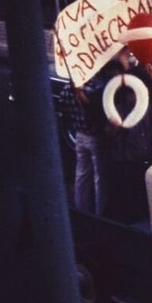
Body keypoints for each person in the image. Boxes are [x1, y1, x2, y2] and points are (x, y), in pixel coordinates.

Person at [104, 48, 152, 221]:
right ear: (128, 94)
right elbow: (108, 136)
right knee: (127, 204)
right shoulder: (117, 109)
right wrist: (114, 127)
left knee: (145, 202)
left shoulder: (146, 108)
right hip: (126, 166)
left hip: (145, 162)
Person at [60, 70, 108, 216]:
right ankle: (101, 212)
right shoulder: (93, 90)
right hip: (95, 136)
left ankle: (81, 208)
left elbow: (65, 115)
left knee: (81, 174)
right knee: (100, 178)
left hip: (80, 134)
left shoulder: (66, 90)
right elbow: (97, 113)